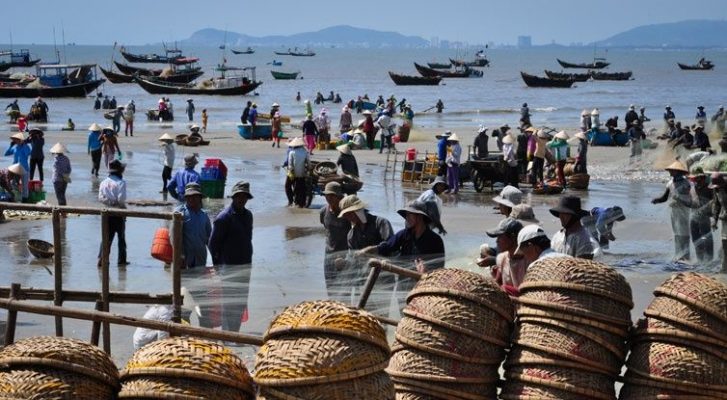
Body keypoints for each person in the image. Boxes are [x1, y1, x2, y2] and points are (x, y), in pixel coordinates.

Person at [377, 200, 445, 306]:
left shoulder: (435, 240)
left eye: (410, 214)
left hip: (423, 287)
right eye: (406, 214)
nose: (407, 217)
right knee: (404, 314)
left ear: (419, 216)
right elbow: (387, 247)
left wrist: (425, 272)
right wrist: (369, 250)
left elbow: (440, 267)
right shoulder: (404, 235)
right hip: (403, 284)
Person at [208, 181, 254, 332]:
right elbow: (213, 244)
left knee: (240, 302)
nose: (242, 199)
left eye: (244, 196)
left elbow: (248, 238)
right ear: (233, 197)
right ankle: (228, 336)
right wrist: (217, 267)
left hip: (245, 266)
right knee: (228, 303)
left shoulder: (248, 216)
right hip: (227, 268)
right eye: (239, 196)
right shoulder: (223, 218)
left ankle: (235, 333)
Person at [338, 195, 394, 312]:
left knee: (381, 316)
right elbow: (353, 259)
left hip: (383, 281)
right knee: (365, 318)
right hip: (363, 281)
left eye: (349, 214)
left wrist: (371, 249)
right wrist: (344, 263)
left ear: (357, 211)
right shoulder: (351, 235)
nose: (348, 217)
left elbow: (391, 246)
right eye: (346, 215)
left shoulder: (381, 223)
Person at [652, 161, 693, 261]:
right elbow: (665, 197)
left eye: (672, 170)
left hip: (683, 210)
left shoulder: (686, 183)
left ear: (678, 171)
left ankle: (686, 256)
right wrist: (657, 200)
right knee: (677, 233)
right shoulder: (670, 182)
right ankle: (678, 255)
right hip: (674, 211)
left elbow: (691, 198)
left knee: (684, 233)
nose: (670, 172)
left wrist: (681, 199)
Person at [319, 182, 350, 301]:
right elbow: (326, 228)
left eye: (332, 196)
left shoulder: (347, 213)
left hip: (345, 256)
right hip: (329, 257)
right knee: (331, 289)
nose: (329, 199)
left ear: (340, 197)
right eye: (327, 196)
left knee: (344, 292)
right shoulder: (323, 212)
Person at [97, 160, 128, 266]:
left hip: (107, 213)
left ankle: (102, 258)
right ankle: (121, 261)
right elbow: (121, 200)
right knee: (121, 237)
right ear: (119, 171)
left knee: (106, 237)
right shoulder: (121, 183)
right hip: (118, 214)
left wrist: (110, 202)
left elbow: (100, 198)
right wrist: (119, 205)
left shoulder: (104, 182)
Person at [486, 217, 527, 296]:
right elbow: (497, 284)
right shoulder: (502, 258)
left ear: (512, 237)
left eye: (500, 237)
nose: (497, 241)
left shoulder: (528, 260)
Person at [177, 182, 211, 268]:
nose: (191, 199)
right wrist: (180, 255)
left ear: (200, 198)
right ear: (186, 198)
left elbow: (209, 239)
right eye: (189, 196)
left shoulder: (204, 215)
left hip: (201, 258)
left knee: (199, 280)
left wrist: (215, 256)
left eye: (195, 196)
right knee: (185, 281)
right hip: (184, 259)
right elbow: (174, 237)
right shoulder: (179, 213)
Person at [688, 172, 713, 264]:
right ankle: (700, 259)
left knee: (706, 238)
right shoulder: (693, 188)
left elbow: (714, 202)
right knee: (695, 238)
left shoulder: (709, 188)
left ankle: (709, 259)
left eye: (697, 179)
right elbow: (690, 201)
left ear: (702, 178)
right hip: (693, 215)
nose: (695, 181)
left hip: (704, 216)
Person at [5, 132, 31, 200]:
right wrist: (11, 146)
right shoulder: (15, 148)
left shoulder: (26, 147)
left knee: (25, 186)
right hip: (15, 169)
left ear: (20, 140)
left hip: (24, 169)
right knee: (13, 184)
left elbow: (27, 154)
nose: (14, 141)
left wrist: (24, 145)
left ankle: (25, 200)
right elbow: (6, 153)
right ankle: (16, 197)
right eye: (14, 140)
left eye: (16, 139)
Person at [710, 172, 727, 272]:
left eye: (720, 185)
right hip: (724, 220)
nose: (718, 187)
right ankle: (724, 268)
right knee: (725, 243)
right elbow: (716, 205)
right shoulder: (716, 190)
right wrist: (714, 220)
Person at [287, 137, 309, 207]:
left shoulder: (292, 152)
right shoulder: (305, 152)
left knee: (287, 186)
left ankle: (290, 201)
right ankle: (301, 203)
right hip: (302, 174)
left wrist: (291, 173)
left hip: (293, 173)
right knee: (301, 187)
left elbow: (290, 165)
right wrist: (308, 170)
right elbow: (308, 163)